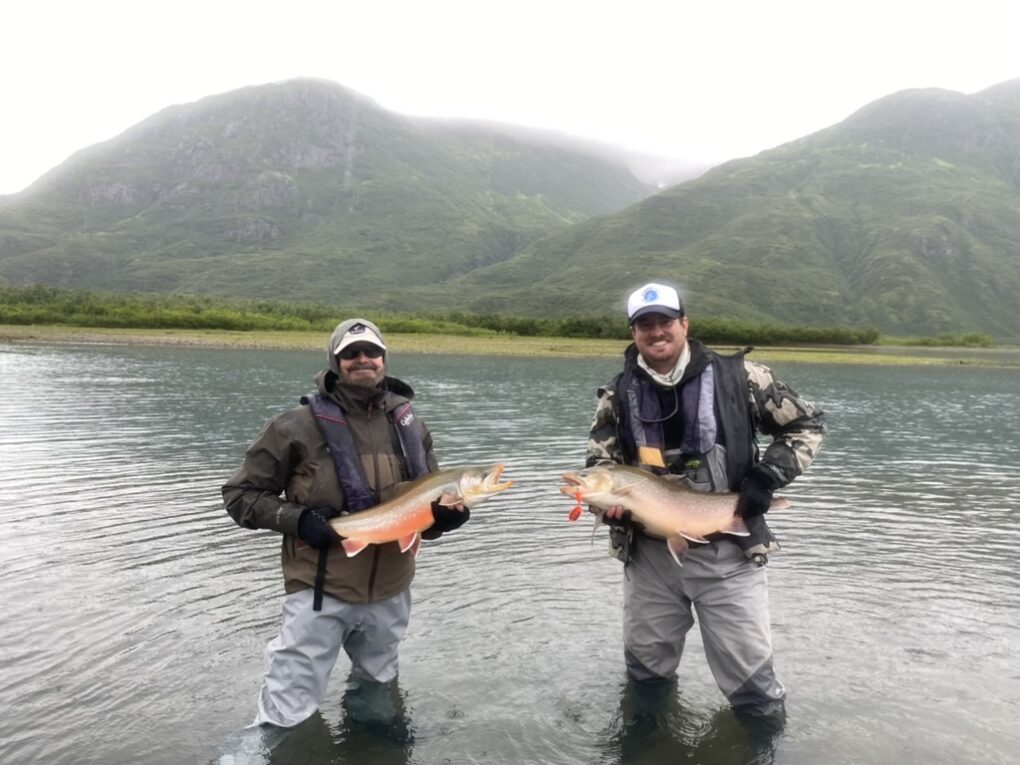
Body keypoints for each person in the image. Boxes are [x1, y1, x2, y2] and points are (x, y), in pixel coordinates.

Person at [586, 282, 826, 727]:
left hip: (730, 555)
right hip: (650, 560)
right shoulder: (616, 395)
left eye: (664, 321)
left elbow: (808, 425)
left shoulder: (744, 378)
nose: (656, 332)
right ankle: (648, 748)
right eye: (645, 325)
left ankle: (762, 747)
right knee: (645, 677)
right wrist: (605, 506)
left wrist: (767, 477)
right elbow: (600, 462)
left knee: (755, 691)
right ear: (633, 332)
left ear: (684, 324)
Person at [222, 318, 469, 730]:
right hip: (320, 592)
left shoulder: (413, 428)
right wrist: (298, 520)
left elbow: (423, 517)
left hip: (391, 592)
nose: (362, 360)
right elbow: (240, 496)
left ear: (384, 359)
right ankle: (262, 754)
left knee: (377, 688)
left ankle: (373, 750)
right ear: (336, 363)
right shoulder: (293, 426)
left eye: (371, 351)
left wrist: (444, 520)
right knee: (287, 706)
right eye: (350, 353)